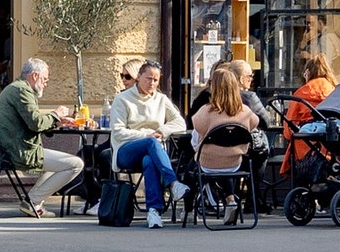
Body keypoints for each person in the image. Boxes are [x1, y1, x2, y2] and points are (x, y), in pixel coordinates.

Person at [0, 58, 84, 218]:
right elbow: (35, 123)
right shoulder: (22, 91)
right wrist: (56, 114)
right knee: (76, 164)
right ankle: (33, 201)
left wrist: (57, 121)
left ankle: (34, 202)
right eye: (45, 79)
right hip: (19, 151)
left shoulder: (16, 88)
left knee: (60, 164)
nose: (46, 83)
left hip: (11, 149)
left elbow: (33, 121)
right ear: (35, 76)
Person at [110, 61, 188, 229]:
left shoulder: (161, 99)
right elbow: (118, 132)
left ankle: (153, 211)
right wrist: (147, 135)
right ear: (138, 77)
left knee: (149, 161)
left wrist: (162, 130)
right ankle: (173, 184)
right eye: (148, 78)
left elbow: (180, 123)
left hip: (152, 151)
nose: (152, 83)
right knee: (151, 143)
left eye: (156, 80)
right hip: (126, 149)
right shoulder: (122, 99)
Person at [190, 66, 260, 225]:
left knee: (190, 169)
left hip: (207, 163)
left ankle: (187, 210)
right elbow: (255, 124)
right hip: (235, 163)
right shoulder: (246, 112)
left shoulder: (206, 111)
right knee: (224, 164)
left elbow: (196, 128)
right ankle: (231, 200)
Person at [281, 53, 338, 174]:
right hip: (332, 148)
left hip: (305, 151)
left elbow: (288, 129)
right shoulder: (334, 91)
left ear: (308, 72)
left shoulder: (301, 93)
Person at [187, 59, 267, 125]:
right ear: (241, 79)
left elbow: (193, 123)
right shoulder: (246, 104)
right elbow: (264, 122)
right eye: (250, 76)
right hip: (242, 142)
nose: (251, 79)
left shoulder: (205, 101)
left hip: (211, 142)